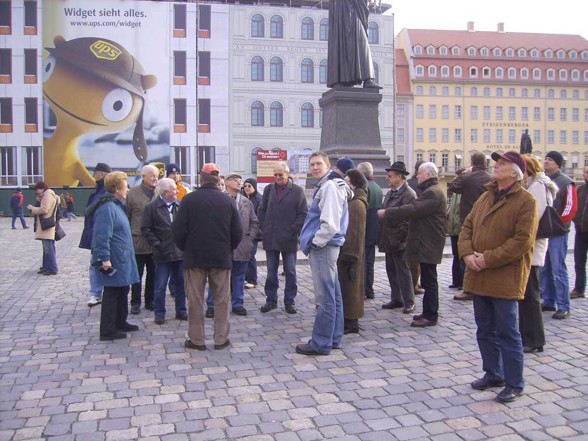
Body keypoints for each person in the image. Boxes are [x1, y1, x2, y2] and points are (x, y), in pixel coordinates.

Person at [458, 151, 537, 403]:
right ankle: (493, 373)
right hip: (479, 276)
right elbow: (467, 227)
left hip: (505, 276)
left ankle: (515, 382)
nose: (496, 166)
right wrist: (467, 254)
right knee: (484, 330)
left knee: (507, 332)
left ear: (515, 172)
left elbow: (522, 241)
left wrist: (487, 259)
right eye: (497, 162)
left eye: (502, 163)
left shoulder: (526, 201)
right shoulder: (485, 196)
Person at [172, 163, 243, 351]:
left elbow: (178, 231)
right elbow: (237, 232)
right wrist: (227, 249)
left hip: (194, 258)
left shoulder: (188, 200)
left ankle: (197, 340)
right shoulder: (228, 201)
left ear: (201, 179)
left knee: (195, 301)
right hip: (221, 258)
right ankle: (221, 339)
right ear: (218, 179)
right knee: (222, 301)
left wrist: (186, 248)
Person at [377, 162, 446, 327]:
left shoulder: (432, 193)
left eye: (420, 173)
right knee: (426, 278)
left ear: (428, 175)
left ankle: (430, 315)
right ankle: (427, 311)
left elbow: (413, 208)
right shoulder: (429, 191)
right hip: (423, 240)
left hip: (428, 241)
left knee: (429, 280)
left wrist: (388, 213)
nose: (417, 176)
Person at [297, 151, 352, 355]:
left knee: (325, 298)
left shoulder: (329, 187)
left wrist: (315, 243)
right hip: (329, 247)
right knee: (334, 295)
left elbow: (329, 224)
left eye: (319, 163)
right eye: (312, 164)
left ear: (328, 166)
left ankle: (320, 343)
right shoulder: (331, 185)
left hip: (324, 248)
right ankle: (333, 338)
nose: (315, 167)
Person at [89, 171, 140, 341]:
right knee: (112, 293)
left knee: (123, 289)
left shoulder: (116, 205)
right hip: (114, 258)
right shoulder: (107, 208)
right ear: (117, 188)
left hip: (122, 256)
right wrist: (104, 259)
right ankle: (108, 329)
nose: (127, 189)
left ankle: (120, 321)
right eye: (125, 186)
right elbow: (101, 236)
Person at [258, 162, 308, 314]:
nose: (278, 177)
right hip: (271, 237)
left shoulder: (297, 191)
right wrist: (264, 226)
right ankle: (271, 300)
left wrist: (293, 229)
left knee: (290, 271)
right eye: (275, 175)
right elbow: (262, 210)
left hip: (289, 238)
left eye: (281, 174)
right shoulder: (268, 189)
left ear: (287, 174)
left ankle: (289, 301)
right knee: (271, 272)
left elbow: (303, 214)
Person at [206, 173, 259, 317]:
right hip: (222, 247)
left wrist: (250, 238)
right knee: (217, 278)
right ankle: (211, 305)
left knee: (239, 277)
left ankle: (238, 304)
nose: (239, 182)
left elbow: (254, 222)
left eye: (239, 180)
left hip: (242, 246)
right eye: (236, 180)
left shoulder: (246, 202)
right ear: (227, 183)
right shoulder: (218, 199)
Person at [519, 155, 557, 353]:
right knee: (526, 293)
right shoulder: (534, 184)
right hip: (530, 247)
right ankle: (528, 335)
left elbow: (534, 217)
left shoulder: (537, 186)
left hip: (533, 247)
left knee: (531, 294)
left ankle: (534, 339)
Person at [141, 178, 187, 325]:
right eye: (174, 189)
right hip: (162, 254)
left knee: (180, 285)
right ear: (166, 192)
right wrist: (157, 244)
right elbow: (146, 229)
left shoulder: (180, 205)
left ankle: (181, 310)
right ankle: (159, 313)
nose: (177, 191)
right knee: (160, 286)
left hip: (179, 253)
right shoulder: (152, 207)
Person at [447, 152, 493, 300]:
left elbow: (453, 186)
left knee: (466, 254)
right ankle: (482, 286)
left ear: (472, 163)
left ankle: (467, 288)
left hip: (469, 221)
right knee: (482, 254)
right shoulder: (491, 179)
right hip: (487, 221)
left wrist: (465, 173)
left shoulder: (468, 177)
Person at [540, 151, 578, 319]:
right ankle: (548, 300)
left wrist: (557, 224)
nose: (546, 162)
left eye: (550, 159)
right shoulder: (543, 181)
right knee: (544, 268)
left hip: (557, 232)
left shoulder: (566, 182)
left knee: (558, 269)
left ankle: (563, 305)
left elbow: (570, 208)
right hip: (544, 232)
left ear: (557, 163)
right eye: (546, 159)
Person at [377, 162, 417, 314]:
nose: (387, 178)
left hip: (400, 240)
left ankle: (409, 301)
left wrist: (398, 238)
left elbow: (408, 220)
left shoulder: (408, 194)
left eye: (390, 176)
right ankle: (397, 298)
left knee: (403, 271)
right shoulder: (391, 192)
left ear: (399, 177)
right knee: (391, 270)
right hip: (389, 237)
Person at [126, 164, 158, 315]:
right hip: (138, 241)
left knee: (153, 274)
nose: (155, 178)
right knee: (137, 274)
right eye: (152, 175)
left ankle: (150, 300)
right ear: (143, 176)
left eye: (157, 175)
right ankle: (135, 302)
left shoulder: (159, 192)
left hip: (155, 242)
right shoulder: (132, 193)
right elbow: (127, 215)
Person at [338, 169, 368, 334]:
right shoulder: (353, 200)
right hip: (349, 253)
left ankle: (351, 322)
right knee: (349, 288)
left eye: (346, 180)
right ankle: (349, 319)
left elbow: (354, 232)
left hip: (351, 256)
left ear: (352, 184)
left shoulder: (356, 203)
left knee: (351, 289)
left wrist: (349, 256)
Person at [80, 162, 111, 307]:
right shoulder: (99, 191)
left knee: (97, 263)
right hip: (95, 233)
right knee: (96, 263)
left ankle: (97, 293)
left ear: (102, 174)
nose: (93, 176)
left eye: (95, 173)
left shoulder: (104, 193)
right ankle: (97, 292)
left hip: (101, 234)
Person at [327, 0, 378, 88]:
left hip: (354, 9)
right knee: (342, 41)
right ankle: (340, 79)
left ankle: (367, 79)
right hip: (341, 9)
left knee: (362, 43)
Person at [357, 162, 383, 299]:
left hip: (365, 230)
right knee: (370, 263)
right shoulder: (378, 187)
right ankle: (370, 289)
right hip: (374, 231)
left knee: (363, 263)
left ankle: (363, 289)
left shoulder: (366, 188)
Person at [27, 181, 59, 276]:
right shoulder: (48, 194)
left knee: (48, 248)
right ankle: (46, 267)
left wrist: (33, 208)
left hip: (46, 224)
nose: (37, 192)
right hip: (46, 224)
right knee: (47, 247)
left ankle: (52, 268)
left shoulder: (48, 195)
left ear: (41, 188)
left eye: (37, 190)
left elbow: (44, 209)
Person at [406, 160, 424, 294]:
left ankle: (412, 283)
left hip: (407, 224)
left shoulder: (409, 184)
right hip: (420, 225)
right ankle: (414, 284)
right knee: (417, 258)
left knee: (411, 258)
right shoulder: (421, 186)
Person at [447, 168, 466, 290]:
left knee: (461, 257)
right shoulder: (455, 193)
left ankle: (462, 281)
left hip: (460, 228)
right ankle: (456, 280)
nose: (455, 179)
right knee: (455, 255)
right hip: (453, 228)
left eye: (457, 177)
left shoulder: (464, 191)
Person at [571, 165, 588, 299]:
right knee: (579, 261)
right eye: (586, 172)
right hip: (580, 231)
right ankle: (579, 288)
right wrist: (575, 220)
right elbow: (574, 207)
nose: (586, 174)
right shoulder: (581, 189)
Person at [242, 177, 263, 289]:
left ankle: (253, 279)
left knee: (251, 256)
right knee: (245, 255)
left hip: (254, 232)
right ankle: (247, 277)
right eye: (245, 186)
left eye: (249, 186)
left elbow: (259, 217)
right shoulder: (243, 198)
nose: (247, 188)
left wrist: (254, 231)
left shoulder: (259, 199)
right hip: (244, 232)